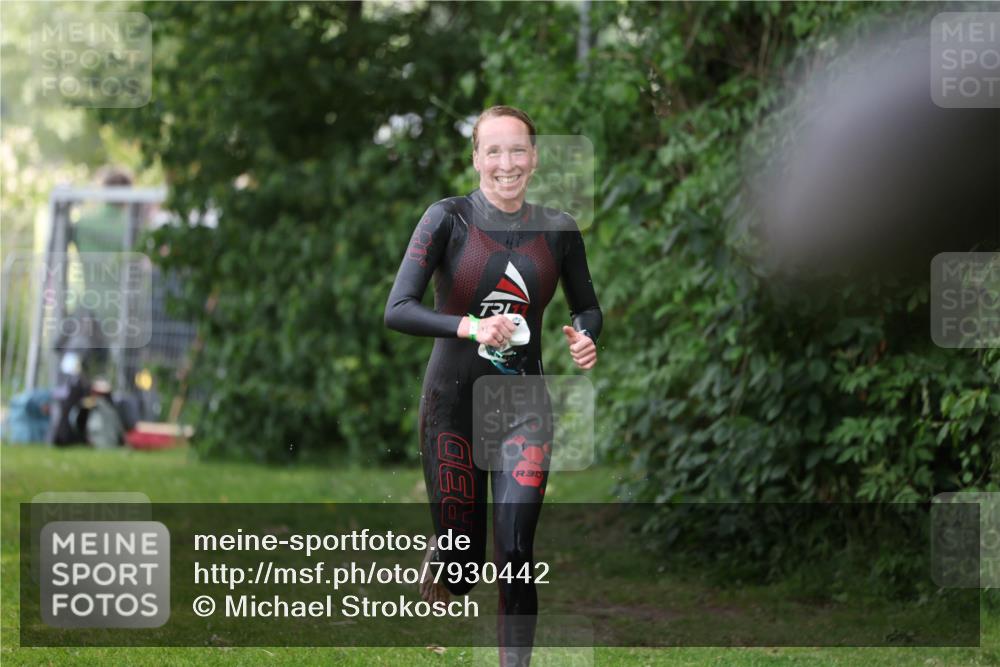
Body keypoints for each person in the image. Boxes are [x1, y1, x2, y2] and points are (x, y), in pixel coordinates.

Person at [384, 105, 602, 664]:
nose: (507, 163)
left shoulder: (559, 230)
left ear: (534, 158)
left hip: (522, 404)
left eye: (518, 150)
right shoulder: (447, 219)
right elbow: (398, 309)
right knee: (464, 570)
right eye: (494, 151)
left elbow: (588, 307)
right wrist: (471, 325)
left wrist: (583, 335)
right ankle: (448, 559)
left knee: (516, 549)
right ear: (477, 158)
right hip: (451, 404)